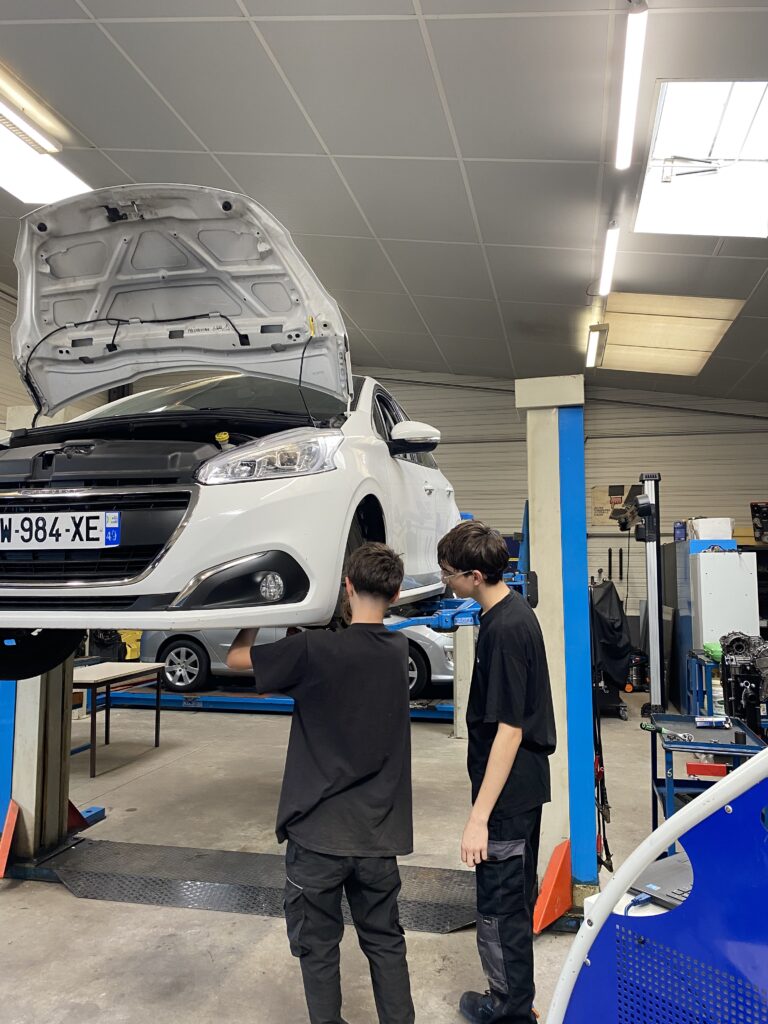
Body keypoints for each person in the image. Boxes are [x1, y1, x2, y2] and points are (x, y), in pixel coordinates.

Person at [227, 542, 415, 1024]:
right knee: (385, 943)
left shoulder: (313, 651)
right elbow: (353, 667)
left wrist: (257, 613)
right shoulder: (398, 653)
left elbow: (238, 659)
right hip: (377, 836)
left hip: (317, 837)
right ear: (395, 594)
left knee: (319, 947)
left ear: (346, 587)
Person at [437, 521, 556, 1024]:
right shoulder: (505, 613)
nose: (444, 580)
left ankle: (508, 1012)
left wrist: (478, 818)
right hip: (519, 787)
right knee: (512, 898)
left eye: (449, 572)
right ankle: (516, 1000)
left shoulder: (506, 629)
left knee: (500, 904)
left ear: (474, 576)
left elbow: (509, 730)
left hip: (508, 794)